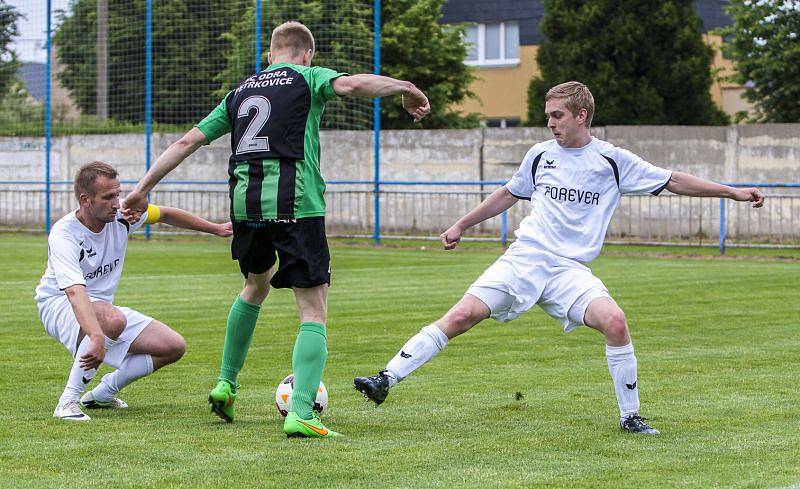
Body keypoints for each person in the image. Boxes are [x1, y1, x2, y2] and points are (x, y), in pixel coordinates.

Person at [354, 81, 765, 435]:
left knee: (615, 321)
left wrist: (733, 191)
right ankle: (385, 378)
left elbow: (674, 180)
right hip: (527, 256)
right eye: (548, 117)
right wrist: (461, 224)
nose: (550, 124)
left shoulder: (613, 160)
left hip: (569, 270)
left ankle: (631, 416)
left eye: (557, 116)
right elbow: (508, 193)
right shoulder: (539, 154)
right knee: (461, 317)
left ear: (581, 115)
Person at [122, 21, 430, 438]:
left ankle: (226, 384)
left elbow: (185, 143)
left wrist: (142, 190)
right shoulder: (308, 77)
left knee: (255, 287)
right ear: (308, 55)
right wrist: (405, 86)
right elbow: (354, 85)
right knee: (313, 310)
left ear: (269, 55)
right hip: (297, 205)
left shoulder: (240, 92)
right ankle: (302, 411)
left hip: (246, 207)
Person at [37, 161, 232, 421]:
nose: (117, 203)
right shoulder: (64, 234)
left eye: (118, 194)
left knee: (173, 346)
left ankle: (104, 393)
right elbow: (74, 292)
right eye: (108, 197)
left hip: (101, 307)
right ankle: (67, 403)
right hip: (58, 303)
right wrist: (95, 336)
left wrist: (216, 229)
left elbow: (164, 214)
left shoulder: (122, 218)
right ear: (85, 200)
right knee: (112, 320)